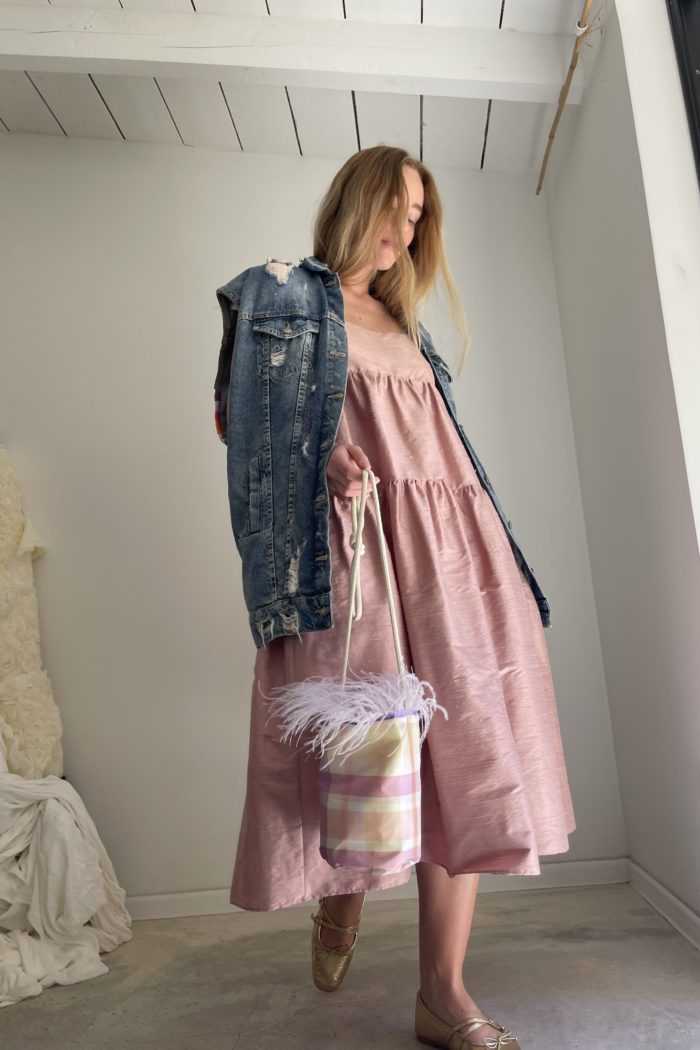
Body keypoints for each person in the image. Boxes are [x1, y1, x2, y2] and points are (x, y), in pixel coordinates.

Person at [217, 145, 576, 1050]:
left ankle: (442, 993)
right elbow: (237, 421)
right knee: (366, 752)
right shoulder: (284, 297)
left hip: (456, 550)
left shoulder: (409, 323)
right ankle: (343, 899)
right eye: (399, 208)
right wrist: (319, 463)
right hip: (356, 548)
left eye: (419, 218)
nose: (408, 231)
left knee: (464, 762)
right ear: (360, 199)